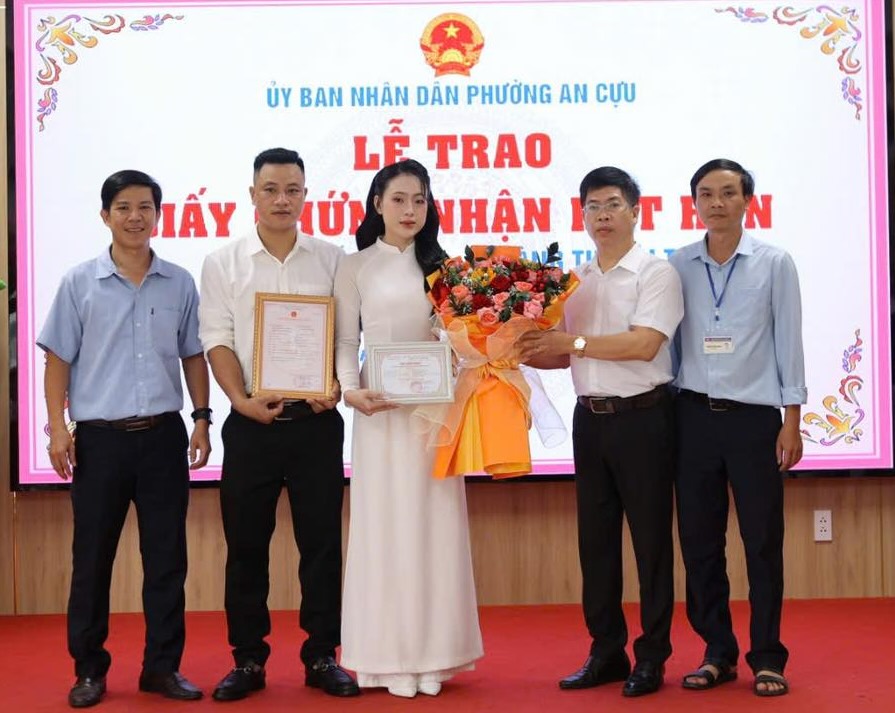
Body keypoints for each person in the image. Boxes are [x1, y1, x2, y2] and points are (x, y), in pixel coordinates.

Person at [38, 170, 211, 708]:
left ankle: (161, 669)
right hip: (100, 441)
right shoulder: (78, 282)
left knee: (167, 561)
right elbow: (57, 358)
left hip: (163, 439)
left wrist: (203, 418)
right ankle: (89, 669)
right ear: (105, 215)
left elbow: (193, 355)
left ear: (158, 215)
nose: (135, 216)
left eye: (145, 207)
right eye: (123, 207)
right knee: (92, 560)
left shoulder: (180, 282)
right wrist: (56, 429)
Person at [516, 166, 683, 697]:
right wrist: (501, 351)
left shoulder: (657, 274)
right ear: (581, 215)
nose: (602, 215)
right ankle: (606, 651)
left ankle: (651, 656)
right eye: (592, 206)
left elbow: (643, 345)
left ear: (636, 210)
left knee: (651, 543)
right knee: (596, 545)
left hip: (645, 419)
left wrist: (573, 344)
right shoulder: (579, 281)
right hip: (591, 420)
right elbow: (561, 356)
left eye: (612, 204)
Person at [199, 148, 359, 700]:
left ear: (306, 195)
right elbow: (216, 339)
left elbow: (344, 336)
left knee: (321, 544)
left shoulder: (333, 259)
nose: (282, 200)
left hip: (315, 423)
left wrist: (335, 385)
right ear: (252, 195)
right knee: (246, 546)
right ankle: (248, 660)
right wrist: (239, 400)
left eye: (292, 189)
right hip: (251, 425)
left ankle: (321, 656)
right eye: (271, 189)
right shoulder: (223, 263)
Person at [334, 159, 483, 698]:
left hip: (432, 414)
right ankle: (383, 660)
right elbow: (345, 341)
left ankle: (433, 657)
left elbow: (463, 340)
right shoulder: (354, 267)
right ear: (377, 203)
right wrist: (350, 389)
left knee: (432, 527)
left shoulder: (443, 267)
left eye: (419, 200)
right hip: (379, 413)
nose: (409, 210)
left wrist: (463, 345)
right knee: (384, 526)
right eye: (398, 199)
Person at [670, 158, 806, 697]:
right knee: (700, 544)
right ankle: (718, 652)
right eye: (706, 194)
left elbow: (789, 344)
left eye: (728, 193)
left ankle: (768, 656)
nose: (717, 203)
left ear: (747, 200)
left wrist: (791, 421)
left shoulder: (775, 263)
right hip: (693, 418)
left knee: (762, 541)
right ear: (695, 203)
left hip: (755, 421)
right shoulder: (678, 265)